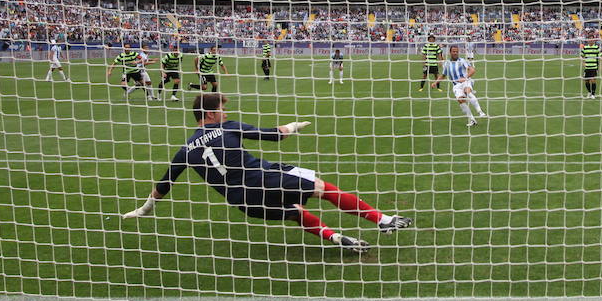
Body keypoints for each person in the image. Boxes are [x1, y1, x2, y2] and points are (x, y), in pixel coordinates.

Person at [121, 93, 414, 254]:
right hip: (262, 176)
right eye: (221, 109)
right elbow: (274, 135)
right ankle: (383, 220)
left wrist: (144, 210)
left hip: (241, 201)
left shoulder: (184, 150)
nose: (225, 112)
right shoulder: (227, 126)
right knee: (323, 188)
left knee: (295, 212)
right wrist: (294, 126)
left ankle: (337, 238)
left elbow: (164, 184)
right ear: (209, 115)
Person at [442, 45, 486, 126]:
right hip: (456, 85)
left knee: (467, 92)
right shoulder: (447, 64)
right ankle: (472, 120)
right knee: (461, 101)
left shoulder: (462, 61)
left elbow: (472, 70)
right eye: (453, 51)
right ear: (450, 52)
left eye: (457, 51)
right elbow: (443, 75)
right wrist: (435, 82)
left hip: (466, 81)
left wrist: (465, 77)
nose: (455, 53)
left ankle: (480, 112)